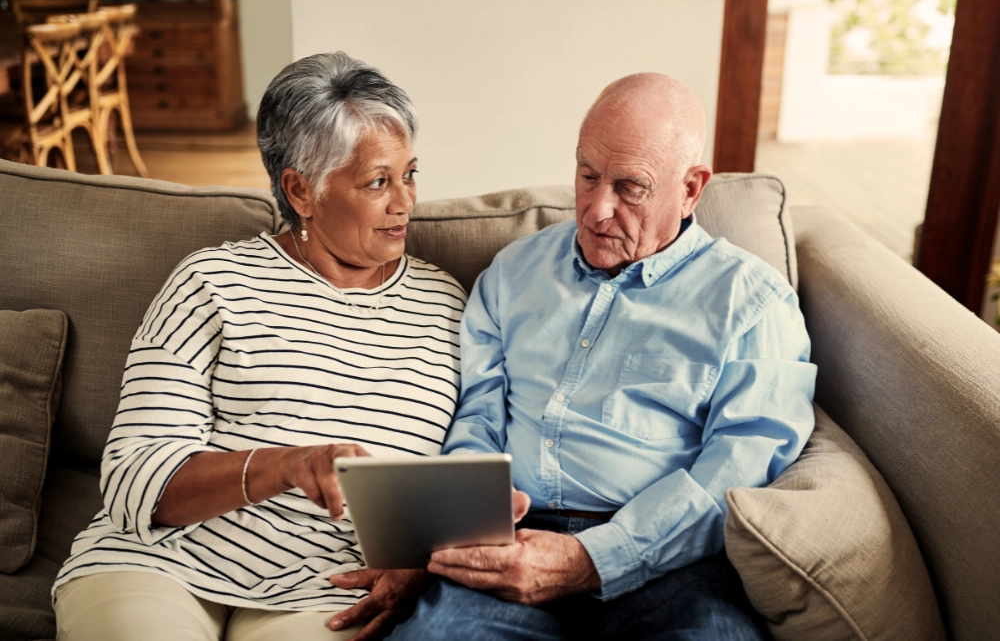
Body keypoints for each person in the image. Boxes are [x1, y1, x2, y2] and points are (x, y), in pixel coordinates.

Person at [52, 52, 468, 641]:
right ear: (301, 191)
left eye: (410, 174)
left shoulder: (446, 302)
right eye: (378, 181)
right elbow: (134, 478)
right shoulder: (211, 281)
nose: (405, 202)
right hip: (158, 563)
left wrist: (421, 557)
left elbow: (474, 458)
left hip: (330, 584)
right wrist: (285, 466)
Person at [391, 73, 817, 640]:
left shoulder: (752, 302)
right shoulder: (513, 274)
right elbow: (477, 414)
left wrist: (590, 559)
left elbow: (740, 468)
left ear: (691, 189)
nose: (596, 209)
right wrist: (468, 521)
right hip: (511, 543)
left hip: (670, 564)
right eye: (587, 175)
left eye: (630, 187)